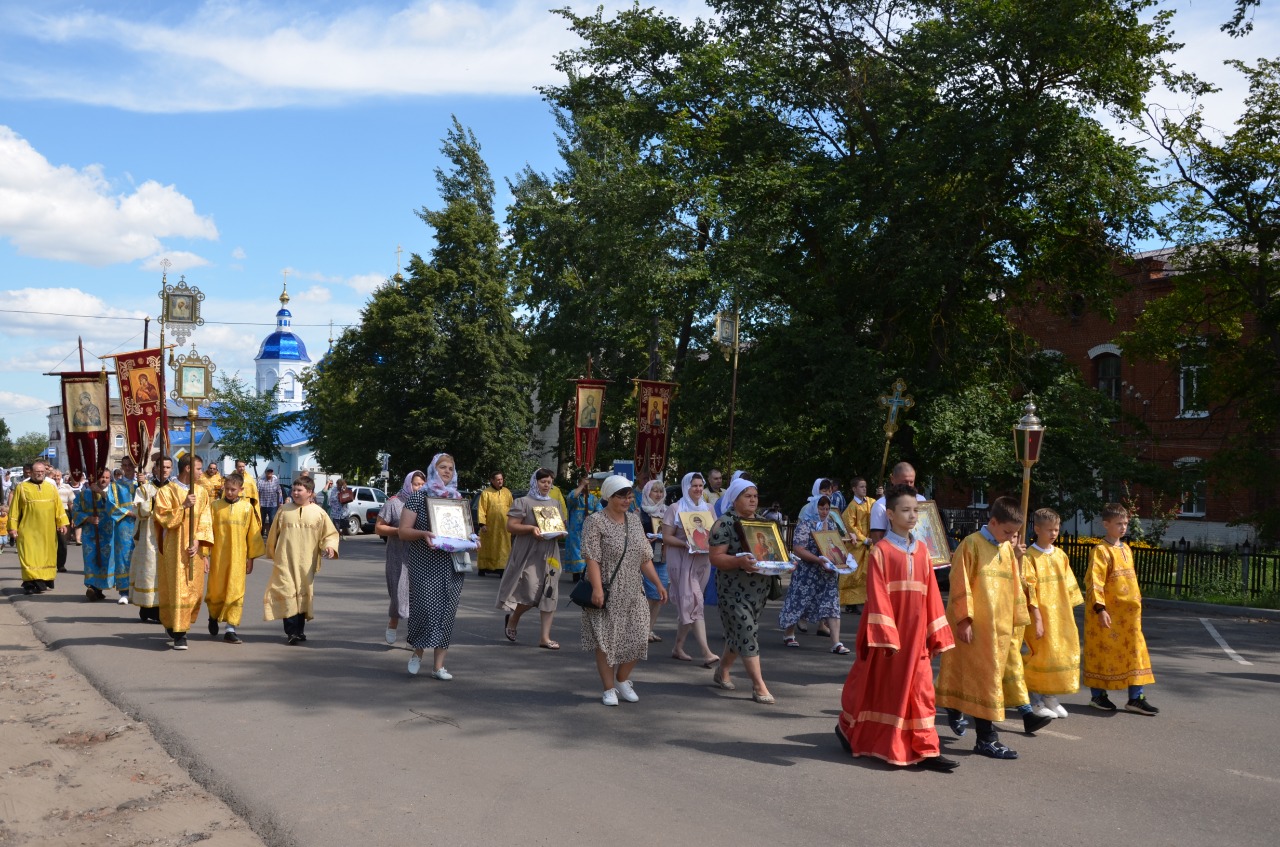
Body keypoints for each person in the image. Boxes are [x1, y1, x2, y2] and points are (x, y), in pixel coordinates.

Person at [835, 484, 957, 770]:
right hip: (890, 636)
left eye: (915, 510)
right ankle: (850, 729)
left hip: (918, 636)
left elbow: (932, 595)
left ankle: (927, 749)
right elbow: (877, 595)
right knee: (884, 689)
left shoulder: (924, 550)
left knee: (923, 689)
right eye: (905, 510)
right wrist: (887, 635)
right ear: (889, 514)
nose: (913, 515)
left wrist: (935, 631)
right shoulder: (881, 551)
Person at [935, 496, 1051, 759]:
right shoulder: (971, 545)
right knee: (986, 682)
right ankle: (987, 738)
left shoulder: (1007, 549)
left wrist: (1018, 618)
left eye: (1015, 533)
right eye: (1007, 531)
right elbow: (960, 583)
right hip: (975, 627)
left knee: (984, 679)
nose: (1010, 537)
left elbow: (1013, 584)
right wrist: (964, 620)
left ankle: (955, 708)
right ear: (993, 521)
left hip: (999, 629)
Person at [580, 474, 667, 706]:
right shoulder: (595, 521)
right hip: (607, 588)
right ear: (609, 496)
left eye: (630, 496)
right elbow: (592, 558)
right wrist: (597, 589)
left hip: (633, 589)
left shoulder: (634, 521)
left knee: (639, 637)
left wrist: (658, 584)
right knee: (606, 641)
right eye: (622, 496)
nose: (627, 500)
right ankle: (608, 689)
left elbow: (644, 558)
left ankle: (621, 679)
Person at [1083, 503, 1158, 715]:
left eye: (1125, 523)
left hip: (1130, 617)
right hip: (1106, 615)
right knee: (1101, 652)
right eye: (1118, 523)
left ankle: (1136, 698)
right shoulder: (1100, 551)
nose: (1123, 527)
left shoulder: (1126, 548)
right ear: (1106, 524)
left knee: (1135, 653)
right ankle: (1098, 696)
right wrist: (1100, 609)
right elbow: (1094, 582)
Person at [707, 476, 776, 704]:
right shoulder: (724, 523)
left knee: (741, 632)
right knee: (747, 632)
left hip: (758, 589)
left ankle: (722, 670)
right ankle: (759, 686)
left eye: (755, 496)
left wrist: (783, 562)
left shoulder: (761, 522)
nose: (753, 500)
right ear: (735, 499)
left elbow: (772, 553)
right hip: (732, 590)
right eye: (747, 496)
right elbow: (716, 558)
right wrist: (739, 562)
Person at [398, 453, 467, 678]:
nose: (447, 471)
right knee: (425, 609)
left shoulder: (457, 498)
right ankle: (418, 653)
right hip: (425, 563)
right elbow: (403, 531)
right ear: (432, 469)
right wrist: (423, 533)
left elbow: (463, 530)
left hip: (452, 565)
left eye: (450, 468)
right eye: (442, 467)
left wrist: (472, 539)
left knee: (447, 611)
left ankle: (439, 666)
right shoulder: (419, 497)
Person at [264, 476, 340, 645]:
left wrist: (329, 546)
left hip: (306, 562)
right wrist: (272, 553)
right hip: (285, 560)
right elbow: (273, 535)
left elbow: (330, 534)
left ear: (310, 493)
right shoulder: (284, 510)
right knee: (287, 592)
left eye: (300, 490)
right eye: (294, 490)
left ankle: (299, 631)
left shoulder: (319, 513)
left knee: (302, 594)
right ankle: (291, 632)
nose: (295, 493)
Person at [1023, 508, 1084, 719]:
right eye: (1049, 529)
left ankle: (1050, 696)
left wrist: (1068, 613)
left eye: (1056, 529)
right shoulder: (1029, 556)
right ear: (1037, 528)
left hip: (1060, 615)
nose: (1054, 533)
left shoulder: (1060, 555)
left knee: (1057, 655)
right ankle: (1035, 700)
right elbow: (1029, 590)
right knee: (1040, 656)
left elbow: (1069, 586)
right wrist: (1037, 617)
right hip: (1039, 616)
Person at [497, 468, 566, 649]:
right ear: (534, 482)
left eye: (549, 482)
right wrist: (530, 529)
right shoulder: (523, 502)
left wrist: (559, 533)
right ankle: (514, 618)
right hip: (529, 553)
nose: (546, 485)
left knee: (550, 593)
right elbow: (511, 526)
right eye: (543, 481)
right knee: (530, 590)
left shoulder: (555, 504)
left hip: (550, 553)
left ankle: (545, 637)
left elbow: (561, 528)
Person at [153, 455, 214, 650]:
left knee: (194, 591)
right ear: (187, 468)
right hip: (174, 547)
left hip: (194, 549)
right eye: (198, 469)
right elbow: (163, 518)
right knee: (178, 588)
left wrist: (197, 541)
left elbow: (205, 519)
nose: (200, 472)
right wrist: (183, 506)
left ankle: (176, 624)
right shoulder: (166, 491)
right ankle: (180, 634)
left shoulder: (202, 492)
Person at [780, 495, 847, 654]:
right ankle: (789, 634)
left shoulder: (830, 524)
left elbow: (836, 545)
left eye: (826, 508)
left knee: (832, 604)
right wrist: (818, 560)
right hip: (807, 573)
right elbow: (798, 548)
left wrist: (840, 560)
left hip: (827, 573)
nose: (824, 512)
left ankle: (836, 642)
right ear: (814, 507)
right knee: (798, 602)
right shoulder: (805, 524)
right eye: (821, 508)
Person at [206, 472, 265, 644]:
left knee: (236, 590)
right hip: (218, 555)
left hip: (239, 557)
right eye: (227, 489)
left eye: (233, 489)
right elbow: (206, 532)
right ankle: (213, 616)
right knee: (216, 589)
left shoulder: (247, 508)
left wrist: (251, 558)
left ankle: (230, 628)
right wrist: (205, 555)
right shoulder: (215, 506)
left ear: (241, 489)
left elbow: (253, 535)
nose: (229, 492)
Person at [376, 469, 425, 645]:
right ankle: (393, 622)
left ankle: (413, 635)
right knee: (398, 592)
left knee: (417, 596)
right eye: (416, 484)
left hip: (419, 555)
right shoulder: (394, 503)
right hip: (397, 554)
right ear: (408, 484)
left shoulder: (425, 504)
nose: (419, 488)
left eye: (422, 484)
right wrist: (401, 531)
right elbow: (379, 527)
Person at [9, 460, 70, 594]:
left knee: (45, 556)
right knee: (29, 556)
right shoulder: (22, 487)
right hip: (28, 530)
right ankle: (30, 583)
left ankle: (43, 580)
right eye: (37, 472)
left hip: (47, 531)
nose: (40, 474)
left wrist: (62, 523)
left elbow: (58, 507)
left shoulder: (51, 487)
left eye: (42, 472)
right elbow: (14, 510)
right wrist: (12, 528)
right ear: (31, 472)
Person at [130, 454, 170, 623]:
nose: (165, 470)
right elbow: (139, 511)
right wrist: (152, 500)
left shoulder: (174, 489)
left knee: (165, 572)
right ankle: (147, 607)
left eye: (168, 467)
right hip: (149, 536)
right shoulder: (145, 488)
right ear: (155, 469)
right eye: (161, 467)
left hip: (168, 536)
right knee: (149, 571)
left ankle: (162, 606)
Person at [72, 468, 119, 602]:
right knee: (91, 559)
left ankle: (99, 589)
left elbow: (118, 507)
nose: (104, 480)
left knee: (106, 561)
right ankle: (92, 587)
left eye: (107, 477)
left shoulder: (113, 493)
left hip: (109, 533)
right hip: (90, 534)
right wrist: (88, 518)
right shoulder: (84, 494)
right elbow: (75, 511)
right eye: (101, 477)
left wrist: (101, 493)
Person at [638, 479, 670, 644]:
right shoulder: (640, 512)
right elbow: (635, 535)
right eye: (654, 491)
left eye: (660, 491)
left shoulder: (667, 512)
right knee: (650, 595)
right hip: (646, 557)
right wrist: (644, 539)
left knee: (660, 595)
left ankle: (649, 629)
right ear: (647, 493)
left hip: (662, 556)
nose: (658, 495)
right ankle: (642, 629)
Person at [868, 463, 926, 543]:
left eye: (911, 482)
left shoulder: (922, 500)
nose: (908, 486)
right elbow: (877, 539)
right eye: (905, 482)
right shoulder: (880, 506)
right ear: (892, 479)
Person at [109, 456, 139, 605]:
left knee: (140, 556)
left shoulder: (142, 484)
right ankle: (124, 592)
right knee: (124, 556)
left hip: (141, 523)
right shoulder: (115, 486)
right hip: (124, 524)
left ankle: (139, 590)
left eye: (130, 465)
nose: (127, 468)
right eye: (125, 465)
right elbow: (111, 504)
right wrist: (128, 513)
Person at [839, 477, 872, 610]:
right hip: (857, 545)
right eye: (861, 487)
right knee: (854, 573)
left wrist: (881, 495)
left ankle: (864, 600)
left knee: (866, 573)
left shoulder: (870, 502)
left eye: (865, 486)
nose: (864, 489)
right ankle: (850, 603)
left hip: (869, 542)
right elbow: (850, 526)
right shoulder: (851, 507)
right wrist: (863, 539)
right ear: (854, 489)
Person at [564, 473, 601, 582]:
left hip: (588, 529)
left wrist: (592, 518)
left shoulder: (593, 498)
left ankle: (586, 575)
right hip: (575, 529)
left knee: (588, 551)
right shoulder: (575, 495)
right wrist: (581, 486)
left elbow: (600, 511)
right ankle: (577, 575)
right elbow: (571, 499)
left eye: (587, 485)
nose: (586, 487)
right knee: (576, 551)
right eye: (583, 484)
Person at [476, 471, 512, 577]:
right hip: (490, 526)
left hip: (504, 526)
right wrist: (482, 524)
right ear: (492, 480)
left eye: (501, 479)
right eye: (498, 480)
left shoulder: (507, 492)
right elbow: (482, 509)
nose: (500, 481)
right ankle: (484, 567)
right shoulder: (486, 493)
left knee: (503, 547)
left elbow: (512, 508)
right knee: (488, 546)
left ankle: (502, 568)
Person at [258, 469, 282, 533]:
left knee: (272, 521)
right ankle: (261, 536)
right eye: (268, 472)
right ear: (265, 472)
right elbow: (258, 492)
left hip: (273, 505)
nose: (269, 473)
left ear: (272, 472)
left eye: (271, 472)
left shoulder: (276, 481)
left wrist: (279, 503)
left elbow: (279, 492)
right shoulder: (260, 481)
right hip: (263, 505)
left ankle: (271, 537)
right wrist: (258, 503)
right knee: (261, 521)